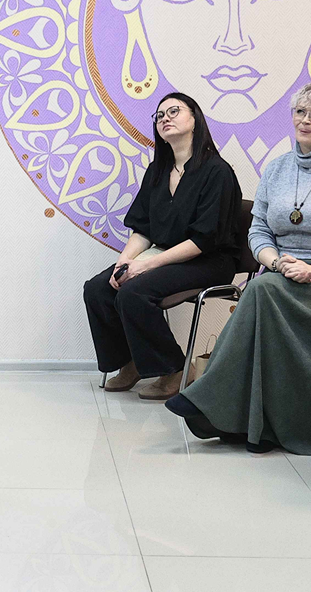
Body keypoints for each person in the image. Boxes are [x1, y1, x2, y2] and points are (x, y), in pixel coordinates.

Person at [165, 81, 311, 452]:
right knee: (265, 287)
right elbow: (259, 230)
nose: (305, 120)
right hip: (284, 274)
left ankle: (210, 398)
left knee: (260, 290)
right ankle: (250, 424)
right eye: (300, 112)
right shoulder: (277, 168)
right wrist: (277, 262)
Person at [84, 92, 243, 400]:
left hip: (209, 259)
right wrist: (125, 262)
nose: (165, 118)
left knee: (134, 292)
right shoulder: (158, 171)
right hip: (164, 255)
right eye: (159, 115)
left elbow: (203, 239)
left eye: (174, 111)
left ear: (194, 119)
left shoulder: (217, 172)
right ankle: (130, 362)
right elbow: (143, 229)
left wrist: (146, 265)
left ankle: (175, 370)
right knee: (99, 288)